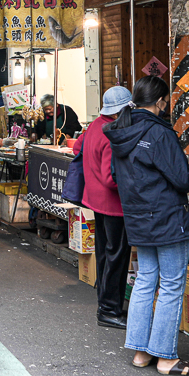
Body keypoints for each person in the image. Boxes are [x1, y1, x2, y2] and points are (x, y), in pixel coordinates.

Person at [106, 76, 189, 376]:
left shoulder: (122, 131)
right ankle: (165, 357)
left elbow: (116, 176)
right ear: (162, 102)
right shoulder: (159, 133)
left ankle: (141, 352)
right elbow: (184, 178)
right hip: (166, 219)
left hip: (138, 218)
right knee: (172, 284)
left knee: (145, 280)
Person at [78, 86, 134, 329]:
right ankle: (110, 310)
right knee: (116, 256)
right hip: (113, 206)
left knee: (104, 253)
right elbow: (111, 178)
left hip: (95, 201)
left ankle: (105, 303)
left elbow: (76, 148)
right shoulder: (112, 133)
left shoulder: (93, 126)